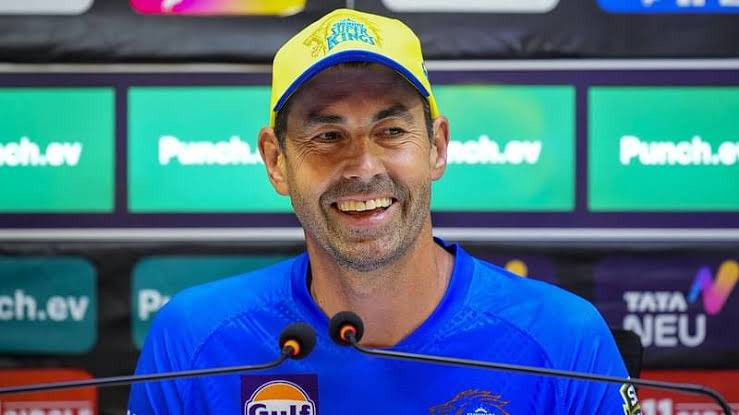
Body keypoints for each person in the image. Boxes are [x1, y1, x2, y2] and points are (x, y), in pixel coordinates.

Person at [128, 8, 640, 414]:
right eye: (328, 136)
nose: (363, 166)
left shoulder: (563, 339)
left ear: (437, 147)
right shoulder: (193, 340)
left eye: (391, 131)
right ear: (276, 161)